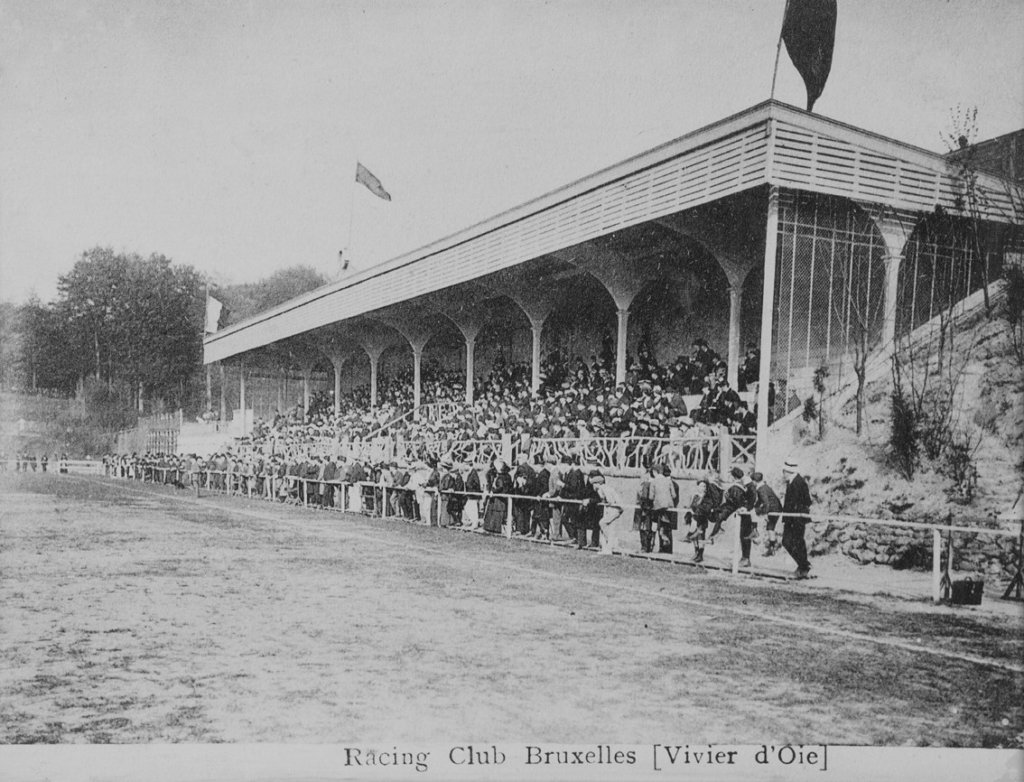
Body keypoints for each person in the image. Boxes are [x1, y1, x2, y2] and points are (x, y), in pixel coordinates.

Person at [781, 460, 812, 578]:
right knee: (789, 542)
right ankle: (803, 566)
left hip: (796, 519)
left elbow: (807, 501)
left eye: (783, 471)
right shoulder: (792, 482)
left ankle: (803, 567)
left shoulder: (799, 482)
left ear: (787, 471)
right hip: (791, 519)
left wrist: (798, 513)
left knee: (795, 542)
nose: (783, 474)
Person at [589, 470, 622, 555]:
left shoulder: (604, 488)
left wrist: (605, 502)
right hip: (610, 509)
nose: (593, 486)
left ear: (597, 483)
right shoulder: (601, 489)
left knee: (602, 523)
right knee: (605, 526)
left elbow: (610, 500)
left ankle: (612, 542)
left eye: (594, 484)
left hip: (615, 508)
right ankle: (607, 547)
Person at [751, 471, 783, 556]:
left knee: (770, 528)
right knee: (770, 528)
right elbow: (760, 500)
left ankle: (755, 531)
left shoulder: (761, 489)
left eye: (753, 481)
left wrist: (765, 513)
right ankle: (772, 548)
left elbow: (766, 502)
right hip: (776, 508)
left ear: (755, 481)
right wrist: (755, 506)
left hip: (773, 509)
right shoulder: (764, 486)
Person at [650, 463, 679, 554]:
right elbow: (674, 495)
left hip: (658, 507)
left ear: (655, 472)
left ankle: (660, 546)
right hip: (669, 507)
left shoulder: (653, 482)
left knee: (658, 526)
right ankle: (668, 549)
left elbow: (651, 497)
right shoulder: (669, 482)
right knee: (667, 527)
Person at [633, 466, 655, 553]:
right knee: (647, 527)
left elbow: (641, 493)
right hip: (647, 507)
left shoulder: (647, 482)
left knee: (645, 527)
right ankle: (647, 546)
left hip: (645, 507)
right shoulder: (650, 481)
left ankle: (645, 547)